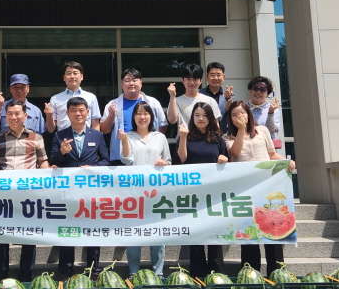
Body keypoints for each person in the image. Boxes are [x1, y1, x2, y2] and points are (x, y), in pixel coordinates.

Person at [224, 100, 296, 275]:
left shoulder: (262, 130)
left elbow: (272, 154)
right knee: (249, 234)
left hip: (267, 187)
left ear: (248, 114)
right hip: (245, 189)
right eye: (234, 115)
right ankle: (251, 275)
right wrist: (241, 130)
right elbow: (235, 152)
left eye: (242, 113)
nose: (239, 117)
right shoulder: (227, 137)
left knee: (273, 230)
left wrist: (287, 162)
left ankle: (277, 274)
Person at [0, 100, 50, 282]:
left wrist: (50, 175)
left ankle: (26, 276)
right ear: (5, 116)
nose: (13, 117)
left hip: (28, 196)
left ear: (25, 116)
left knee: (28, 236)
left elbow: (43, 162)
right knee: (2, 236)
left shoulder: (36, 138)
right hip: (4, 197)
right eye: (10, 114)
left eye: (17, 113)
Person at [51, 97, 109, 279]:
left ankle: (93, 270)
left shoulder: (97, 135)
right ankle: (66, 271)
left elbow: (106, 160)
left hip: (91, 192)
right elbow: (53, 162)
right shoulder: (59, 135)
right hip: (67, 193)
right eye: (73, 110)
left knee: (92, 231)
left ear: (87, 112)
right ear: (67, 113)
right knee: (68, 231)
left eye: (81, 110)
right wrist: (62, 153)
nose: (78, 113)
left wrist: (92, 168)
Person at [118, 101, 170, 277]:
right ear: (133, 117)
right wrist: (124, 141)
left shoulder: (160, 137)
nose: (142, 117)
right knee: (134, 233)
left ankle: (158, 273)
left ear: (151, 116)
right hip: (134, 193)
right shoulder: (128, 136)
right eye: (138, 113)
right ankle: (133, 272)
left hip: (158, 192)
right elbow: (127, 159)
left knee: (158, 233)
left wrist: (163, 163)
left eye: (146, 113)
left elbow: (168, 161)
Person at [177, 102, 228, 279]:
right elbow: (182, 159)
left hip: (214, 193)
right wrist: (183, 138)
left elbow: (226, 160)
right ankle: (197, 275)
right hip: (192, 193)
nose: (200, 118)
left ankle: (217, 274)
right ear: (192, 117)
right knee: (196, 234)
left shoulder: (218, 139)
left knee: (214, 233)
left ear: (211, 118)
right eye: (197, 115)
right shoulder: (186, 136)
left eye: (204, 115)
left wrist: (224, 158)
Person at [100, 68, 167, 165]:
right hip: (121, 157)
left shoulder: (153, 103)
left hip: (149, 156)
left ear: (141, 83)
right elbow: (104, 130)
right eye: (127, 80)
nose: (131, 83)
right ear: (122, 84)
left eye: (135, 80)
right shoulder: (113, 104)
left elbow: (162, 127)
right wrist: (111, 116)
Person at [45, 61, 101, 133]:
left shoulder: (91, 97)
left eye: (75, 73)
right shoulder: (55, 99)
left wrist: (95, 139)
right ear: (64, 77)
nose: (72, 76)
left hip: (86, 137)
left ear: (81, 76)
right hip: (63, 137)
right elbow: (50, 130)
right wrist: (49, 115)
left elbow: (95, 122)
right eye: (69, 73)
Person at [199, 62, 233, 132]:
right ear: (206, 77)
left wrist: (228, 98)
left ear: (223, 77)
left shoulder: (229, 94)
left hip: (223, 133)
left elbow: (230, 110)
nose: (215, 78)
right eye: (212, 75)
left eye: (218, 75)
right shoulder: (199, 93)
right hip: (203, 132)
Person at [247, 76, 283, 140]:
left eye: (262, 89)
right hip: (247, 144)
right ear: (251, 91)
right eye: (255, 88)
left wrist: (270, 112)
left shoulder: (273, 109)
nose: (258, 92)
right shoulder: (242, 107)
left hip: (266, 145)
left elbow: (270, 131)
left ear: (267, 94)